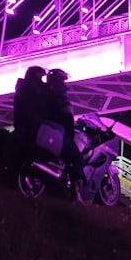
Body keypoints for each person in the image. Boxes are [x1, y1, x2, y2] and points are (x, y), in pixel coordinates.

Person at [44, 68, 85, 198]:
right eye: (63, 80)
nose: (64, 83)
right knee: (77, 158)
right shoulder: (59, 92)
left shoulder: (43, 91)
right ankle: (75, 191)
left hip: (44, 129)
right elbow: (67, 114)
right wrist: (70, 129)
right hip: (57, 131)